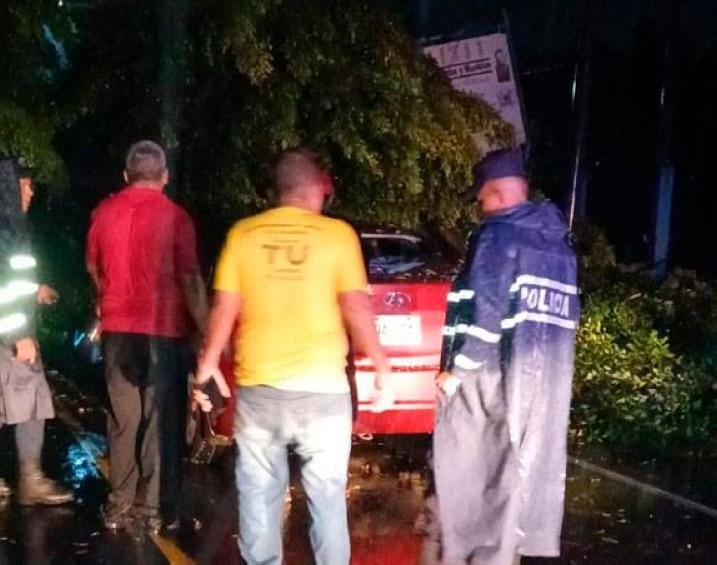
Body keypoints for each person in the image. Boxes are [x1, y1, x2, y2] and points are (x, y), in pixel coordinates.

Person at [194, 147, 393, 565]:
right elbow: (356, 305)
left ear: (278, 191)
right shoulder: (338, 236)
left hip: (260, 389)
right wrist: (379, 364)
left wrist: (208, 363)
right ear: (317, 189)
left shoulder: (244, 234)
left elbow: (225, 305)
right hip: (324, 392)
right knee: (326, 498)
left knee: (260, 495)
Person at [423, 148, 579, 565]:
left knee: (469, 479)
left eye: (481, 199)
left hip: (491, 379)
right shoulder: (558, 245)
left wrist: (458, 371)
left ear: (497, 194)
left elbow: (488, 312)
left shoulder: (498, 235)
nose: (480, 208)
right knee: (517, 477)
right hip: (543, 385)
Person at [86, 140, 208, 533]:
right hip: (164, 334)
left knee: (123, 419)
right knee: (162, 422)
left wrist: (103, 302)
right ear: (165, 176)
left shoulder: (104, 213)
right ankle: (154, 510)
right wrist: (205, 331)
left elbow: (94, 267)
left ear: (126, 176)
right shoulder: (177, 218)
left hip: (118, 332)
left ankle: (118, 505)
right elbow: (190, 279)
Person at [0, 156, 72, 505]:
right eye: (25, 184)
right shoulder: (2, 228)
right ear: (8, 186)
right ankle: (31, 480)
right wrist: (18, 334)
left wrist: (33, 291)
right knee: (32, 401)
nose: (31, 191)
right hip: (5, 331)